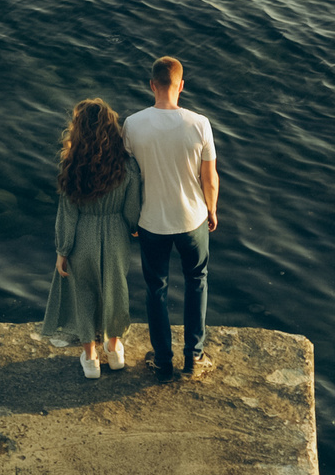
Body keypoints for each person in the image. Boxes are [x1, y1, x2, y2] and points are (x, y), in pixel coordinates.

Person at [124, 54, 218, 380]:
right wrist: (212, 208)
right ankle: (194, 358)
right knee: (197, 281)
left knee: (156, 289)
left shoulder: (132, 124)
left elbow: (128, 176)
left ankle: (163, 360)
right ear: (182, 86)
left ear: (152, 85)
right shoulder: (200, 124)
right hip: (192, 219)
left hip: (151, 221)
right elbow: (210, 178)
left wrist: (129, 216)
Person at [40, 98, 143, 379]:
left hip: (83, 235)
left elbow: (68, 214)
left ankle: (90, 357)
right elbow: (132, 210)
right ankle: (115, 348)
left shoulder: (72, 166)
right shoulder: (127, 166)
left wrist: (63, 249)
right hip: (116, 235)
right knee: (114, 290)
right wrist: (132, 226)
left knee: (83, 294)